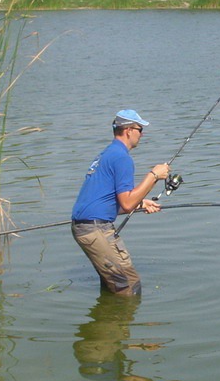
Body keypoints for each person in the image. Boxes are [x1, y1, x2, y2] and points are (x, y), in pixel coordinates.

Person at [71, 109, 170, 296]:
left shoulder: (107, 153)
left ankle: (106, 320)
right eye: (140, 129)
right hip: (95, 230)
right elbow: (126, 204)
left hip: (86, 227)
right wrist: (154, 175)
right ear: (128, 130)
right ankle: (119, 323)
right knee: (129, 286)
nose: (142, 134)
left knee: (113, 284)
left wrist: (141, 204)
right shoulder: (121, 158)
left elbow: (103, 201)